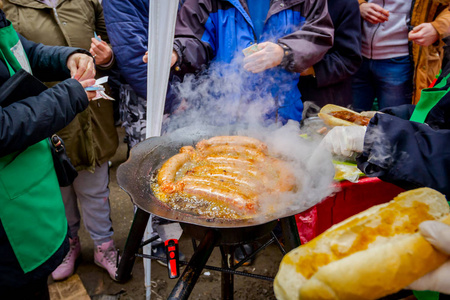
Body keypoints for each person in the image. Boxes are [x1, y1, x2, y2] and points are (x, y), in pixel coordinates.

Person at [3, 0, 120, 281]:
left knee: (96, 188)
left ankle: (105, 246)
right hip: (49, 120)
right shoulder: (9, 6)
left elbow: (25, 50)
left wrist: (73, 56)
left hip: (90, 114)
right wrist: (70, 94)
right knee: (63, 188)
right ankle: (69, 245)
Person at [168, 0, 334, 125]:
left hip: (280, 116)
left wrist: (285, 51)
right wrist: (177, 52)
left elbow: (319, 33)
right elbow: (192, 37)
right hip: (219, 113)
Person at [352, 0, 450, 112]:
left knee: (392, 121)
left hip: (402, 59)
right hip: (355, 57)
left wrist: (437, 28)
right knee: (346, 120)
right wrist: (358, 5)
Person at [298, 0, 362, 109]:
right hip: (279, 98)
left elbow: (349, 59)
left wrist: (307, 69)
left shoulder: (345, 4)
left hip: (323, 99)